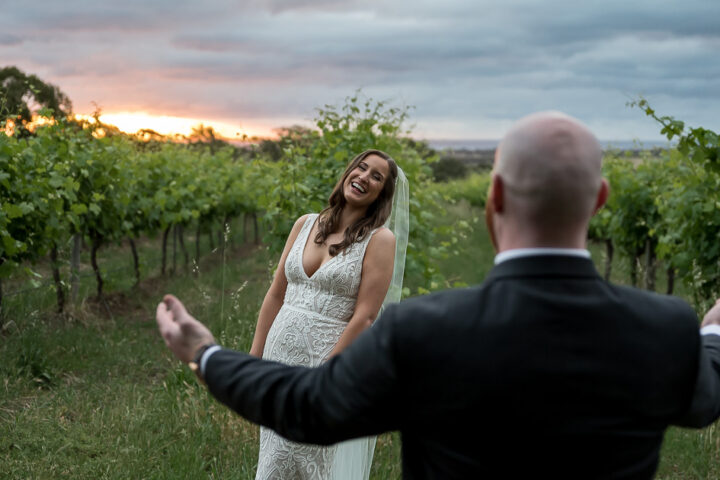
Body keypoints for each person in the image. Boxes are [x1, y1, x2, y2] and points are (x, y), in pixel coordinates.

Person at [157, 112, 720, 479]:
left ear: (493, 196)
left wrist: (206, 354)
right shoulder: (664, 327)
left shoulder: (424, 329)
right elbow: (706, 396)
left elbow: (310, 408)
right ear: (599, 201)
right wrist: (713, 332)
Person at [248, 149, 408, 479]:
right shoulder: (305, 223)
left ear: (382, 193)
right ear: (348, 172)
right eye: (361, 168)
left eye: (376, 176)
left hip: (326, 365)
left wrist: (325, 375)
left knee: (314, 463)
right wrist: (254, 358)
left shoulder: (380, 240)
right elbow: (276, 294)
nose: (364, 177)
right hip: (279, 360)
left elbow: (365, 316)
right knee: (274, 462)